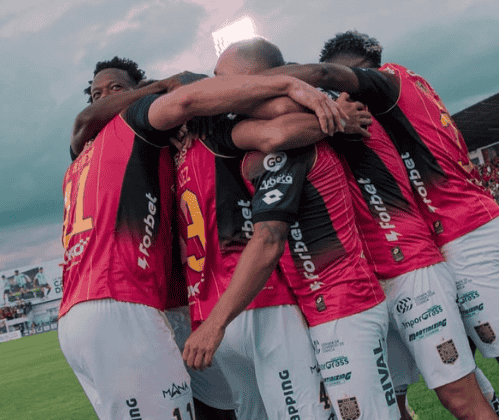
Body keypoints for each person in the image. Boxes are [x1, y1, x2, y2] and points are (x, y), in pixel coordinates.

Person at [263, 30, 499, 420]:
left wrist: (262, 82)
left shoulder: (385, 83)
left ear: (356, 70)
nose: (342, 94)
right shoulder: (394, 95)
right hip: (441, 236)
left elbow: (324, 77)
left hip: (462, 231)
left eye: (345, 82)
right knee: (463, 368)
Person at [59, 56, 341, 420]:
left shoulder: (90, 160)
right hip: (135, 300)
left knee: (222, 408)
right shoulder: (131, 128)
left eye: (115, 89)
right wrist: (305, 94)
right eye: (97, 93)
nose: (106, 98)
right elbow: (192, 99)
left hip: (173, 307)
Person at [182, 40, 402, 420]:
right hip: (320, 307)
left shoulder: (293, 136)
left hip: (345, 303)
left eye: (223, 78)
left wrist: (214, 324)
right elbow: (272, 126)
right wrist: (335, 118)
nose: (216, 88)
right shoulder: (253, 129)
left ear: (258, 80)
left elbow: (269, 237)